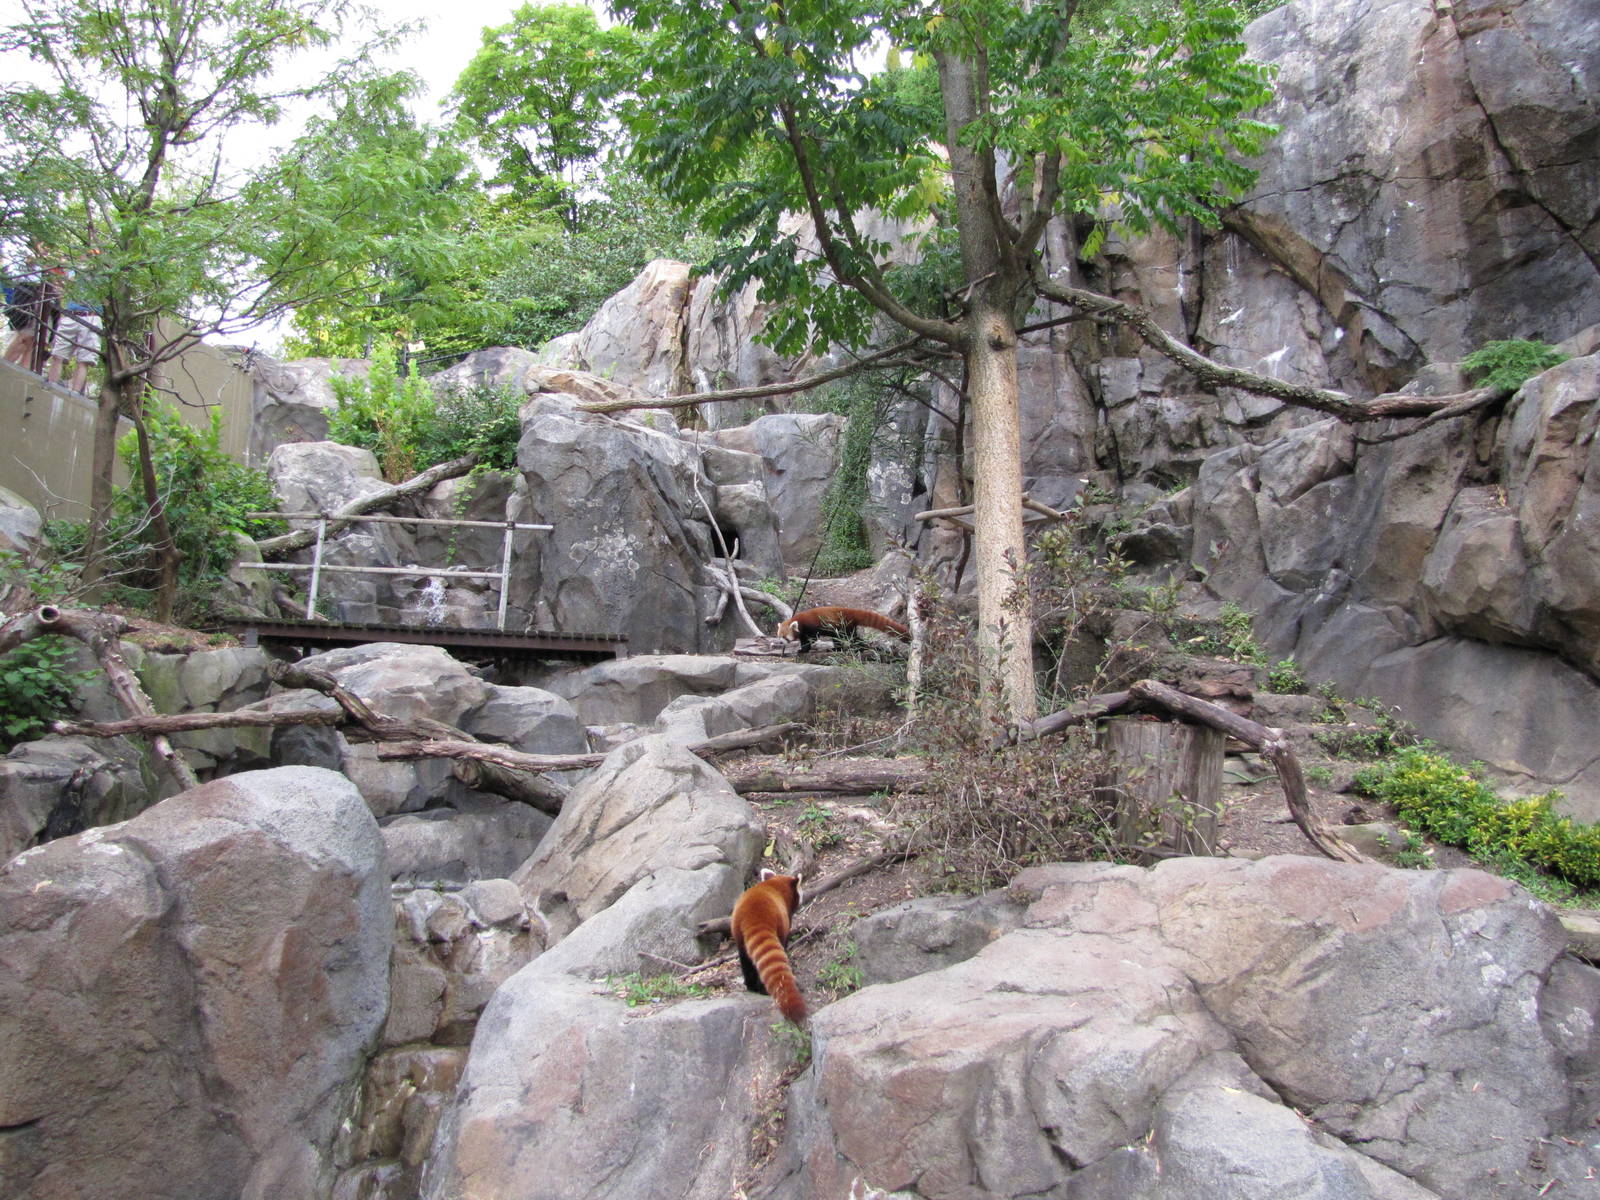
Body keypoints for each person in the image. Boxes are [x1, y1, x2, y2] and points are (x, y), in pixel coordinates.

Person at [3, 252, 64, 374]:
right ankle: (4, 367)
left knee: (33, 344)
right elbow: (28, 262)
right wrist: (41, 256)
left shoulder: (60, 270)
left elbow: (61, 287)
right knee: (24, 338)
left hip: (48, 306)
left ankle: (22, 375)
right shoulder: (33, 260)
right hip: (31, 301)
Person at [46, 300, 100, 394]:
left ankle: (75, 394)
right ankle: (51, 387)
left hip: (92, 317)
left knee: (84, 361)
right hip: (70, 315)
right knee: (58, 355)